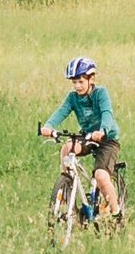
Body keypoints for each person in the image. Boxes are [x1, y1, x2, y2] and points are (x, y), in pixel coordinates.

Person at [44, 53, 125, 226]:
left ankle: (117, 214)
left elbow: (107, 114)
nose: (77, 86)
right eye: (74, 82)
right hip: (87, 135)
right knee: (67, 147)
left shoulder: (100, 93)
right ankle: (67, 187)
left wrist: (102, 130)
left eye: (81, 81)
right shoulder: (73, 97)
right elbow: (62, 111)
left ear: (91, 79)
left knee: (101, 176)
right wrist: (49, 126)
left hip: (107, 139)